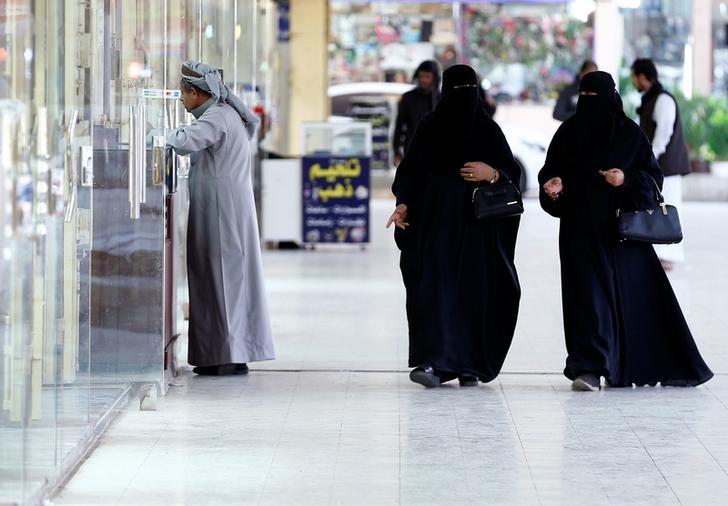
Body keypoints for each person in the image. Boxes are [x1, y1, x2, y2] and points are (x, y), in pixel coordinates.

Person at [539, 71, 713, 391]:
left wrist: (626, 180)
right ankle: (589, 366)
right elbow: (551, 172)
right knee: (586, 298)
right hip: (580, 230)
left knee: (628, 301)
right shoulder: (567, 134)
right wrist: (554, 186)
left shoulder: (630, 134)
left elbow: (652, 179)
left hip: (622, 234)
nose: (591, 105)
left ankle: (625, 366)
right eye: (586, 97)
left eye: (597, 97)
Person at [387, 64, 522, 388]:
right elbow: (409, 173)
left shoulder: (488, 131)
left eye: (469, 90)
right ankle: (434, 363)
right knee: (434, 291)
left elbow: (510, 173)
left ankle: (470, 364)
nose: (464, 98)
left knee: (473, 295)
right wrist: (403, 203)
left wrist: (490, 173)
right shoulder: (429, 128)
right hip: (434, 229)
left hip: (477, 233)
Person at [166, 62, 275, 375]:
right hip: (221, 207)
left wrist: (157, 135)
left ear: (197, 93)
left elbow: (185, 142)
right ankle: (221, 352)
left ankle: (227, 355)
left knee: (223, 277)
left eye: (183, 94)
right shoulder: (223, 113)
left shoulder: (218, 116)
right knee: (216, 278)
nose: (182, 101)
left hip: (222, 209)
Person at [631, 58, 690, 271]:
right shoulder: (651, 99)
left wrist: (650, 158)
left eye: (634, 77)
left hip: (668, 167)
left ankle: (669, 254)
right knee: (657, 208)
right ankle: (659, 252)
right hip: (658, 167)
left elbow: (663, 134)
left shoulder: (663, 100)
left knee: (669, 208)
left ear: (642, 76)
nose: (634, 82)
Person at [392, 60, 441, 167]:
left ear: (434, 78)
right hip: (412, 150)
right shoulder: (408, 97)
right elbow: (399, 125)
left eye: (427, 77)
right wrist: (396, 150)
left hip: (436, 153)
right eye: (421, 76)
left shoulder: (441, 98)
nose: (423, 80)